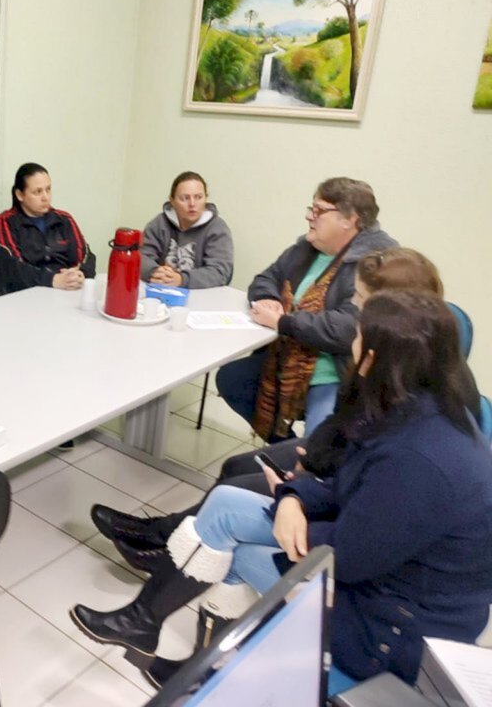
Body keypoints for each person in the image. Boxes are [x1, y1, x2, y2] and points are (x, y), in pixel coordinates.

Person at [71, 290, 492, 688]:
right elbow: (351, 487)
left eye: (358, 336)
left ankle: (188, 655)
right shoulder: (416, 409)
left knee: (233, 547)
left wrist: (292, 510)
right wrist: (294, 497)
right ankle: (160, 635)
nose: (351, 343)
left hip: (388, 629)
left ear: (376, 359)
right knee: (227, 504)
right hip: (380, 581)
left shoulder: (419, 458)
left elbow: (349, 558)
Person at [91, 247, 481, 562]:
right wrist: (312, 454)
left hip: (350, 486)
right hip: (343, 460)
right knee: (236, 464)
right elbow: (349, 419)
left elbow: (373, 455)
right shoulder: (412, 348)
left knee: (243, 481)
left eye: (361, 299)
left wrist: (310, 471)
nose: (354, 307)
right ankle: (171, 537)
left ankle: (171, 549)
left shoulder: (398, 368)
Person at [217, 177, 396, 441]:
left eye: (320, 211)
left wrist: (283, 323)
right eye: (311, 209)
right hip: (287, 358)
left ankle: (304, 463)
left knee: (318, 442)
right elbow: (266, 277)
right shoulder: (307, 248)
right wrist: (268, 297)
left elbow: (348, 328)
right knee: (232, 379)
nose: (310, 217)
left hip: (335, 372)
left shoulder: (375, 263)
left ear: (350, 220)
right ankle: (286, 455)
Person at [0, 162, 95, 296]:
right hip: (20, 298)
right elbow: (11, 268)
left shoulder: (64, 219)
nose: (46, 197)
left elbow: (86, 256)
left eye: (48, 189)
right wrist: (53, 280)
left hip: (62, 295)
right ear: (20, 195)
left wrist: (80, 275)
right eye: (37, 192)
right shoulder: (4, 223)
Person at [140, 171, 233, 288]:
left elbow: (221, 272)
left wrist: (182, 279)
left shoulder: (217, 228)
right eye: (185, 198)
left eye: (198, 197)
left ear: (206, 198)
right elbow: (140, 257)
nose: (192, 204)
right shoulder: (159, 223)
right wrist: (154, 272)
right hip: (161, 290)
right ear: (172, 200)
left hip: (203, 296)